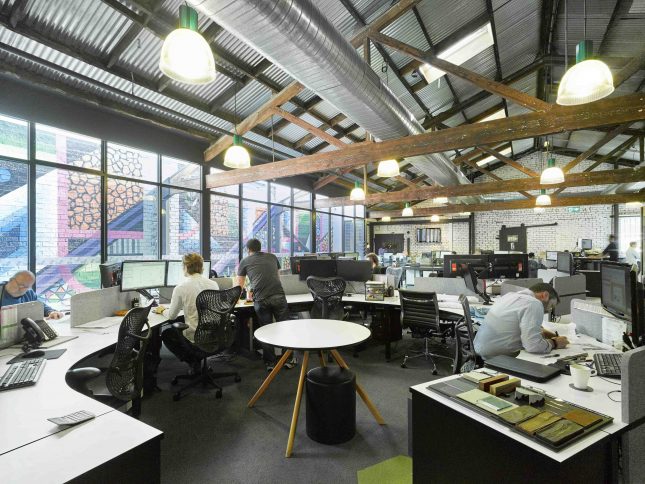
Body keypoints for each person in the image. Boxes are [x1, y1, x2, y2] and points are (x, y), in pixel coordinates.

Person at [237, 238, 295, 372]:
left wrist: (237, 299)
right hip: (278, 296)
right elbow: (277, 277)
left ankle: (270, 362)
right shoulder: (272, 257)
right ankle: (288, 360)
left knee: (266, 330)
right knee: (285, 327)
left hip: (261, 299)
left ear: (248, 250)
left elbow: (239, 285)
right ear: (260, 247)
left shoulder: (245, 261)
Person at [473, 282, 569, 360]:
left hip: (482, 352)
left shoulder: (510, 296)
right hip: (499, 358)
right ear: (545, 295)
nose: (548, 310)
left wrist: (544, 333)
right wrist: (555, 343)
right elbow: (533, 346)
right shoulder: (534, 303)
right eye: (551, 306)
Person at [157, 253, 220, 372]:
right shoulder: (213, 284)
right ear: (201, 267)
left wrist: (162, 310)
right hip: (214, 333)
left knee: (167, 333)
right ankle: (196, 361)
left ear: (186, 267)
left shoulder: (181, 287)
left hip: (195, 335)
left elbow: (172, 316)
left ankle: (192, 361)